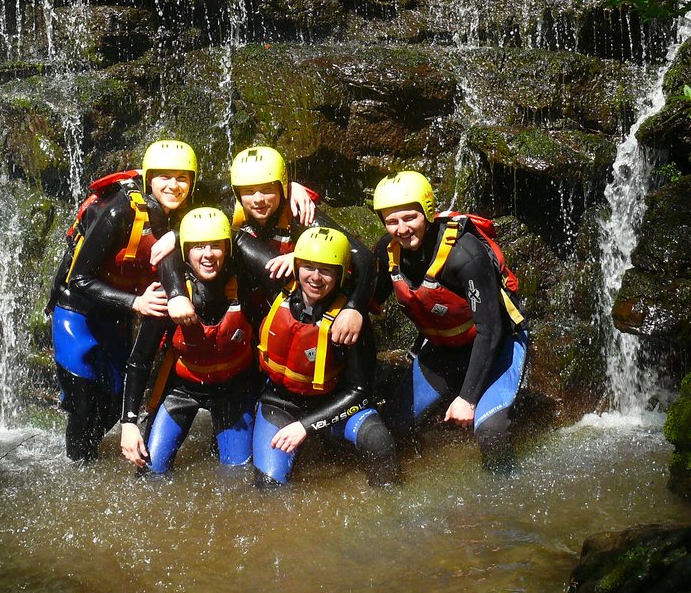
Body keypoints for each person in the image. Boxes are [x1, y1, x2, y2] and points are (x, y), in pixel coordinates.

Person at [49, 139, 195, 462]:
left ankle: (87, 455)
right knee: (83, 401)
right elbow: (80, 278)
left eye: (182, 178)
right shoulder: (121, 210)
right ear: (149, 179)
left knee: (116, 403)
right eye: (164, 177)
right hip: (78, 311)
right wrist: (136, 304)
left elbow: (232, 199)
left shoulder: (186, 215)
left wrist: (291, 189)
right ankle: (77, 470)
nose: (173, 185)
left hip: (118, 316)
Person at [370, 170, 528, 468]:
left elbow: (491, 329)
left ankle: (505, 502)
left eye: (409, 218)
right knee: (391, 426)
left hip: (497, 345)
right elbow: (367, 299)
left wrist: (467, 398)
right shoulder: (386, 251)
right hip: (443, 350)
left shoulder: (464, 255)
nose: (401, 229)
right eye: (391, 221)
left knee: (490, 433)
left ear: (428, 213)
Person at [252, 226, 399, 487]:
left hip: (333, 405)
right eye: (308, 266)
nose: (315, 277)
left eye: (327, 270)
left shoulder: (352, 321)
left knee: (380, 442)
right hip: (280, 404)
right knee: (269, 487)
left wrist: (306, 426)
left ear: (341, 274)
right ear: (296, 265)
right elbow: (235, 242)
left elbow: (360, 392)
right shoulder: (277, 288)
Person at [190, 145, 375, 344]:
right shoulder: (227, 212)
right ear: (238, 192)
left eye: (268, 190)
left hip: (288, 305)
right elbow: (187, 192)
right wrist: (173, 237)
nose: (258, 200)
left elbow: (362, 256)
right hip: (243, 303)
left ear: (281, 188)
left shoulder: (298, 213)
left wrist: (354, 308)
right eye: (249, 191)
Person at [118, 207, 256, 474]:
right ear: (185, 252)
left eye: (216, 247)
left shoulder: (246, 282)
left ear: (227, 249)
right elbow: (139, 361)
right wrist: (128, 422)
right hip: (183, 391)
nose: (207, 255)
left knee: (237, 475)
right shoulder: (167, 295)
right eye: (198, 248)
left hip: (234, 390)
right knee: (151, 474)